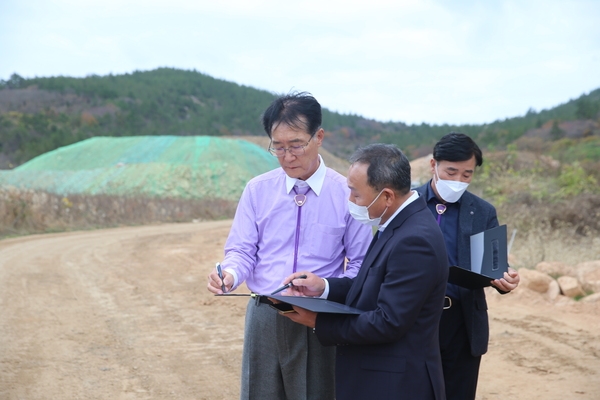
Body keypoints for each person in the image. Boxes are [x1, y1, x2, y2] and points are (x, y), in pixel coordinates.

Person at [206, 92, 373, 400]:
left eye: (296, 145)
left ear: (319, 137)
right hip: (265, 314)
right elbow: (242, 250)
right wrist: (229, 274)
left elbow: (363, 265)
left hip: (320, 318)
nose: (287, 155)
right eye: (278, 147)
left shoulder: (346, 194)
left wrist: (323, 287)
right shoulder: (258, 190)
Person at [278, 143, 448, 400]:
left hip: (396, 385)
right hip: (379, 377)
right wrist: (323, 287)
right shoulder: (396, 223)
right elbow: (372, 283)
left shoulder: (415, 240)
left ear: (387, 196)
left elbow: (388, 322)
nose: (350, 201)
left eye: (356, 194)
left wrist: (318, 322)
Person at [415, 132, 520, 400]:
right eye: (451, 171)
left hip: (462, 322)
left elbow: (494, 266)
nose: (458, 180)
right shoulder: (408, 203)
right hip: (413, 317)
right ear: (433, 165)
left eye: (467, 175)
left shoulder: (482, 211)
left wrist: (505, 280)